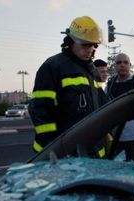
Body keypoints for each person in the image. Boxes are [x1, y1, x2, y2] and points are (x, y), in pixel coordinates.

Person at [28, 16, 108, 158]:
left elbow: (104, 106)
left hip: (91, 154)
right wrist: (53, 148)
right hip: (62, 156)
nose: (90, 49)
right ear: (71, 42)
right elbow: (41, 110)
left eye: (92, 45)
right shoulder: (53, 67)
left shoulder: (91, 70)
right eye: (85, 45)